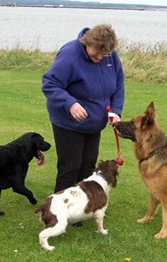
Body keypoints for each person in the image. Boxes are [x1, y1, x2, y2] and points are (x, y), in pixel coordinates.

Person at [42, 24, 125, 195]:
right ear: (88, 42)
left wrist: (115, 111)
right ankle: (58, 209)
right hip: (68, 123)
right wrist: (70, 103)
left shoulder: (111, 56)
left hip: (94, 123)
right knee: (70, 167)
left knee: (88, 166)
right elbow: (50, 83)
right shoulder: (70, 54)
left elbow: (118, 85)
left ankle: (81, 206)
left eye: (105, 55)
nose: (100, 57)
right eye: (97, 53)